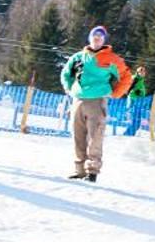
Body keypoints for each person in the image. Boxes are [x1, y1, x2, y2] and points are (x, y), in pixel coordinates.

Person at [60, 25, 132, 181]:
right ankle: (79, 170)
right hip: (78, 99)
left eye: (100, 36)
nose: (97, 38)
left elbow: (126, 77)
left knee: (95, 136)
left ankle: (92, 171)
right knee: (77, 135)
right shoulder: (78, 57)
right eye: (94, 35)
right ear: (90, 38)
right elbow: (66, 74)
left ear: (104, 40)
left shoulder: (112, 59)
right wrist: (69, 88)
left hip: (97, 101)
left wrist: (116, 93)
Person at [126, 64, 150, 136]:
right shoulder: (135, 78)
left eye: (144, 72)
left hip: (139, 100)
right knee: (134, 118)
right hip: (134, 100)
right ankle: (129, 133)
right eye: (141, 72)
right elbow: (128, 88)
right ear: (138, 72)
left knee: (138, 120)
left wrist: (140, 93)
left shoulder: (140, 79)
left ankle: (131, 132)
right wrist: (135, 92)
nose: (143, 73)